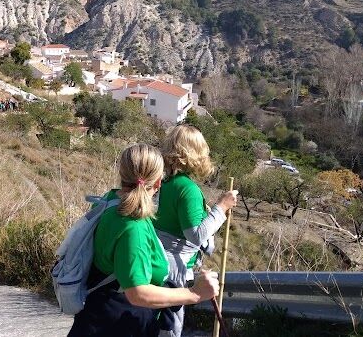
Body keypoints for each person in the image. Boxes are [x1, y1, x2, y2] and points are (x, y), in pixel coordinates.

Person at [69, 143, 219, 337]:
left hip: (97, 315)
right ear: (158, 183)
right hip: (117, 324)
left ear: (122, 174)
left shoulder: (110, 202)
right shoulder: (133, 226)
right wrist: (195, 293)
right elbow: (137, 293)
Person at [151, 125, 238, 337]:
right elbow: (196, 235)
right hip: (174, 272)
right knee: (170, 329)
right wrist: (222, 207)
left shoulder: (165, 183)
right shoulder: (187, 188)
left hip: (157, 262)